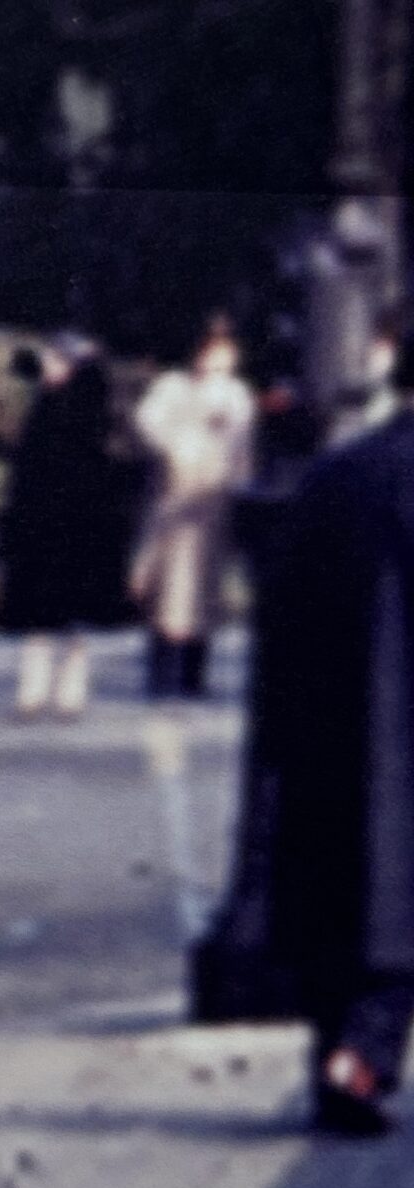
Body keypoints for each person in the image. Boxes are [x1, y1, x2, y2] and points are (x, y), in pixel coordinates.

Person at [243, 332, 414, 1135]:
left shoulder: (337, 476)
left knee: (345, 908)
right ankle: (363, 1056)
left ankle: (340, 1064)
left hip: (337, 735)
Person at [0, 339, 143, 718]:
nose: (49, 367)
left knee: (74, 621)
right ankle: (33, 691)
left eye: (57, 361)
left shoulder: (91, 410)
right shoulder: (42, 408)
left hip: (79, 528)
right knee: (38, 619)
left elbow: (115, 461)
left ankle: (70, 692)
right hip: (41, 528)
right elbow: (24, 474)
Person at [130, 317, 256, 699]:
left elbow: (241, 444)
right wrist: (178, 441)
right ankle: (163, 671)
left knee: (203, 594)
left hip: (211, 506)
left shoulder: (236, 395)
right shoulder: (173, 388)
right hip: (175, 501)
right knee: (167, 592)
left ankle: (193, 675)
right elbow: (148, 425)